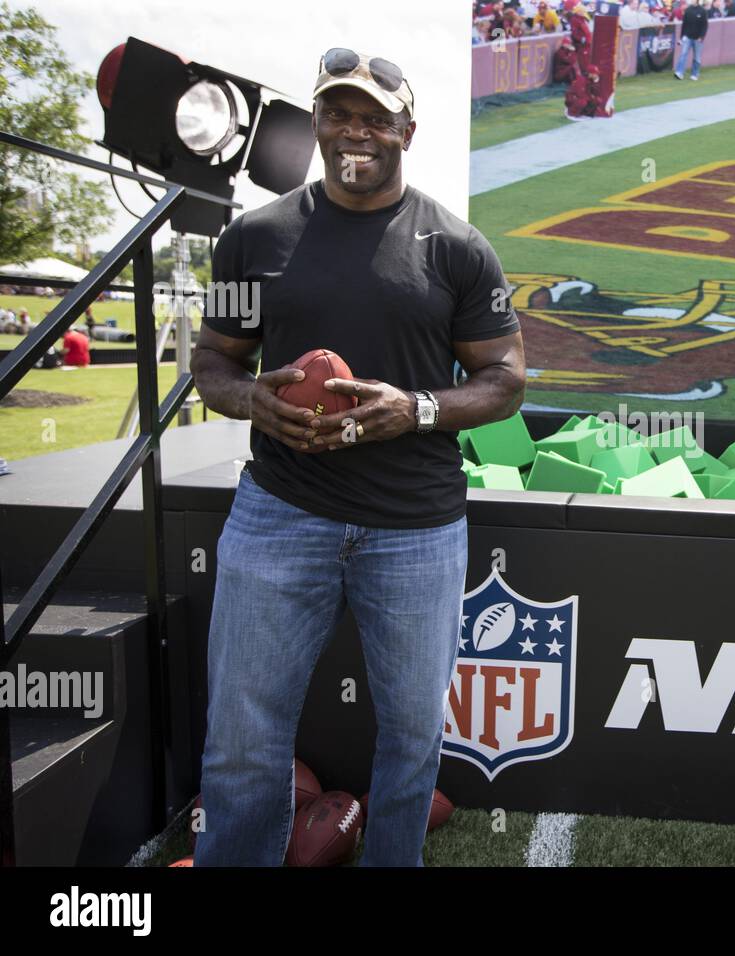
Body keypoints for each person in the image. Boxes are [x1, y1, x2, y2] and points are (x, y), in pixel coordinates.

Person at [191, 48, 525, 868]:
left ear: (407, 130)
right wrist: (251, 400)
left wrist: (413, 409)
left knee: (412, 737)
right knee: (242, 732)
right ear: (316, 124)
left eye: (375, 117)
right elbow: (212, 363)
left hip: (416, 528)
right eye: (338, 114)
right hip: (280, 514)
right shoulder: (254, 237)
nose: (355, 132)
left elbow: (506, 380)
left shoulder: (457, 247)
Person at [675, 0, 709, 80]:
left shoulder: (703, 11)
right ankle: (679, 72)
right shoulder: (688, 10)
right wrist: (681, 37)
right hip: (687, 37)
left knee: (697, 57)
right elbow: (684, 24)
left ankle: (695, 74)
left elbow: (705, 26)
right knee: (683, 54)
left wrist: (701, 37)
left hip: (698, 38)